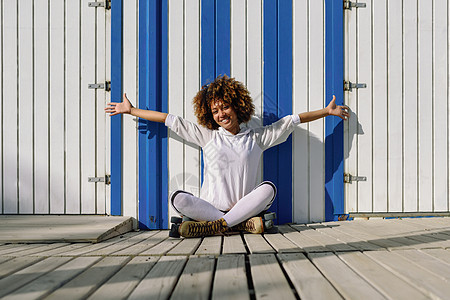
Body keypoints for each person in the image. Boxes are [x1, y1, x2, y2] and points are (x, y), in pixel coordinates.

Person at [105, 75, 349, 238]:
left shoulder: (256, 137)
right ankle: (234, 224)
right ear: (210, 115)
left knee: (269, 189)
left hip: (245, 209)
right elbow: (171, 120)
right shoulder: (208, 137)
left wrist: (327, 112)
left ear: (237, 106)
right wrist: (131, 110)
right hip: (210, 209)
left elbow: (291, 120)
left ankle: (218, 227)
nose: (221, 113)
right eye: (215, 110)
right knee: (177, 198)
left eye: (225, 107)